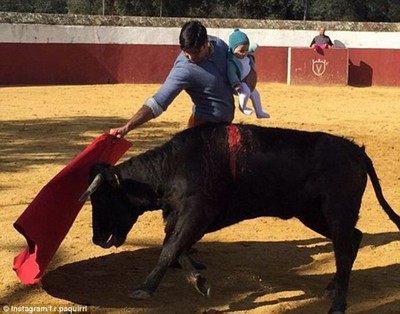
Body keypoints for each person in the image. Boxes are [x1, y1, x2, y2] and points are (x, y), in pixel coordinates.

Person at [110, 20, 235, 138]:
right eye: (186, 52)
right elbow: (158, 102)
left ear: (205, 44)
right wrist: (127, 127)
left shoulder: (219, 45)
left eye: (195, 52)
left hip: (226, 128)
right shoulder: (184, 69)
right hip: (202, 132)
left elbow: (239, 66)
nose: (190, 57)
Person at [227, 29, 270, 119]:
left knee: (255, 94)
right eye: (241, 51)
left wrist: (254, 47)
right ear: (232, 49)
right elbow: (231, 73)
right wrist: (235, 83)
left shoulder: (246, 55)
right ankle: (243, 107)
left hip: (248, 83)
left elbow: (249, 49)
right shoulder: (232, 61)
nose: (244, 53)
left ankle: (259, 112)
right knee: (245, 91)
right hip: (240, 84)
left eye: (246, 50)